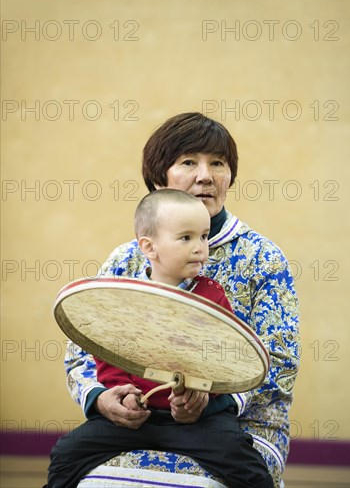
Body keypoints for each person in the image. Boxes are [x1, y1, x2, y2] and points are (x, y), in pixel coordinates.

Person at [52, 113, 300, 488]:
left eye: (218, 163)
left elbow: (279, 361)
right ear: (159, 178)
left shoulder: (264, 258)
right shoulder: (126, 259)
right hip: (132, 420)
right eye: (188, 162)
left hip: (234, 422)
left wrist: (211, 403)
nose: (206, 175)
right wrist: (102, 398)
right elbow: (83, 348)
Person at [45, 188, 274, 488]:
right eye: (186, 238)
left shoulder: (212, 295)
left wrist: (202, 397)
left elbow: (224, 356)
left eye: (204, 236)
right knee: (65, 453)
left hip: (197, 421)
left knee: (247, 465)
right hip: (133, 418)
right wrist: (120, 393)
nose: (200, 248)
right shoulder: (124, 295)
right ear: (149, 247)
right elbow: (109, 350)